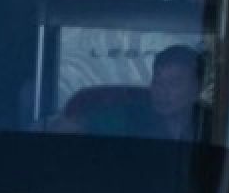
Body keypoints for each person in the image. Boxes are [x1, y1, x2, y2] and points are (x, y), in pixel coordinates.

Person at [68, 45, 209, 141]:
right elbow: (75, 124)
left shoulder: (215, 125)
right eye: (157, 82)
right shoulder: (133, 114)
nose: (161, 92)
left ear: (197, 88)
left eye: (173, 83)